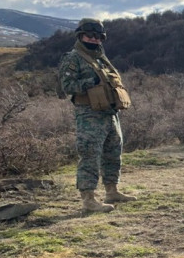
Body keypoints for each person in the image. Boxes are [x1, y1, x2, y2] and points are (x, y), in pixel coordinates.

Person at [57, 18, 135, 214]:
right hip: (89, 114)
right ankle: (89, 200)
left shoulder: (101, 58)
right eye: (89, 35)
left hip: (110, 113)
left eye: (98, 36)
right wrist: (88, 82)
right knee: (90, 156)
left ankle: (112, 191)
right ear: (80, 36)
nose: (93, 39)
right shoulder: (73, 58)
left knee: (113, 153)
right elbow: (66, 86)